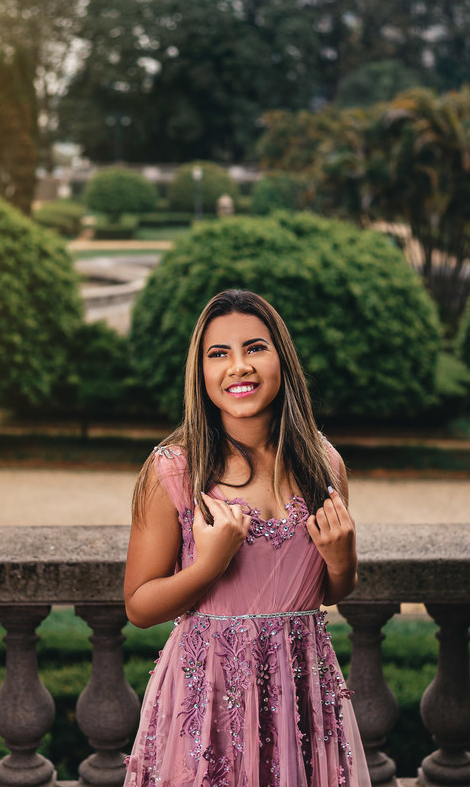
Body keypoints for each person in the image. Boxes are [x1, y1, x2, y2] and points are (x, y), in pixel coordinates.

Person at [123, 289, 368, 787]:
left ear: (281, 358)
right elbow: (139, 606)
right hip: (210, 702)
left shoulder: (324, 465)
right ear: (202, 373)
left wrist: (343, 562)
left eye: (255, 348)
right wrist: (209, 566)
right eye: (220, 354)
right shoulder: (175, 471)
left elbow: (322, 593)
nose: (239, 366)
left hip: (302, 695)